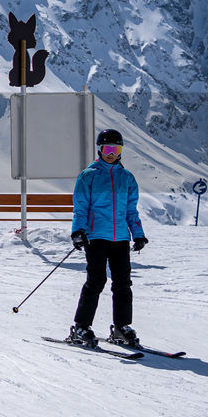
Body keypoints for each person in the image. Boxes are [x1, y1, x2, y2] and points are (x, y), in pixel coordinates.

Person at [67, 129, 148, 348]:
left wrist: (138, 234)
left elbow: (131, 211)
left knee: (123, 283)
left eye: (116, 149)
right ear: (100, 150)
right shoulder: (89, 176)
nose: (112, 153)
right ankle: (81, 326)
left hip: (120, 237)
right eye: (108, 149)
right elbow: (81, 207)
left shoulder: (127, 178)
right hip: (96, 237)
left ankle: (122, 327)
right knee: (96, 280)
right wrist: (78, 231)